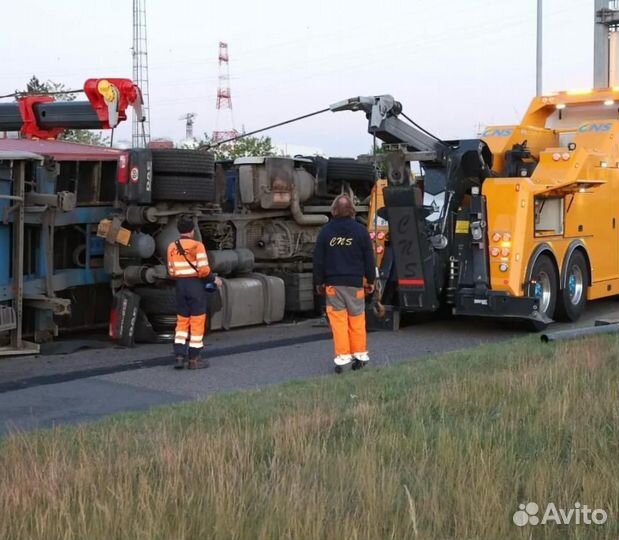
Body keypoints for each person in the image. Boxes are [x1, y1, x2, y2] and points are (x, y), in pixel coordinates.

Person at [313, 194, 376, 372]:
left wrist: (319, 282)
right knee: (357, 319)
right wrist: (371, 280)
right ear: (352, 211)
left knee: (338, 322)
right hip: (355, 284)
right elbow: (369, 259)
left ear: (333, 211)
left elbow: (318, 260)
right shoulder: (360, 231)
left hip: (334, 286)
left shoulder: (326, 232)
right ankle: (360, 355)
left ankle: (343, 359)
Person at [167, 216, 221, 370]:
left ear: (179, 230)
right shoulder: (197, 246)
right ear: (192, 231)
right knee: (196, 323)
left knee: (182, 322)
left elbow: (171, 271)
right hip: (195, 286)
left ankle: (179, 356)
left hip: (180, 286)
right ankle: (194, 359)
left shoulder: (171, 246)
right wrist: (214, 280)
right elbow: (204, 270)